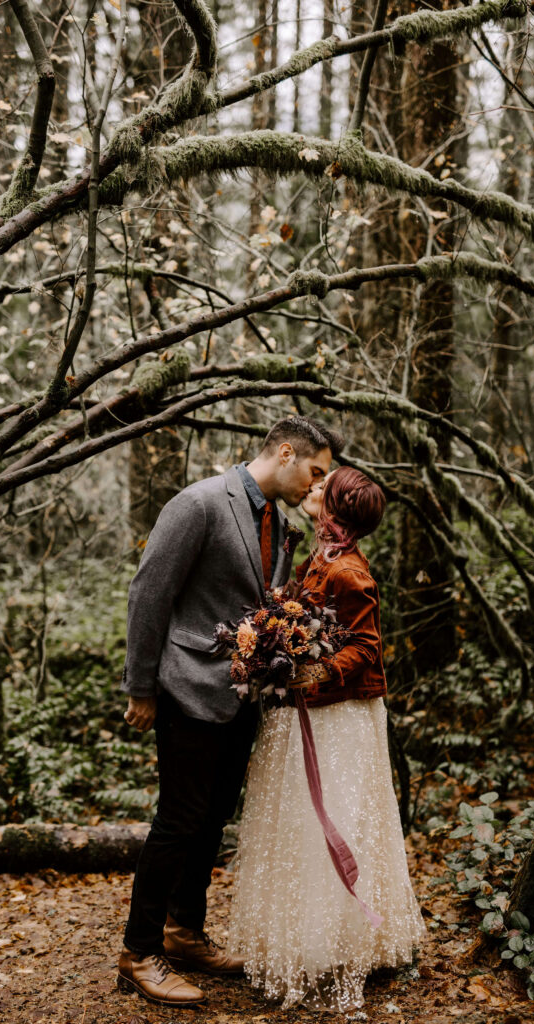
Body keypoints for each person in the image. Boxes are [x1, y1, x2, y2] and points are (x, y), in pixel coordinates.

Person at [117, 416, 343, 1007]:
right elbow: (149, 592)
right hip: (186, 688)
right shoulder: (198, 504)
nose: (315, 485)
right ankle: (139, 953)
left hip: (244, 698)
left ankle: (184, 931)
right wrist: (140, 686)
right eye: (315, 471)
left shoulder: (279, 521)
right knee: (179, 821)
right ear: (286, 452)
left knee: (213, 821)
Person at [227, 466, 426, 1013]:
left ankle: (338, 941)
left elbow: (365, 646)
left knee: (336, 816)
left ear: (336, 509)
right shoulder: (319, 559)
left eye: (322, 488)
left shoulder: (351, 573)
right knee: (294, 824)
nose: (311, 491)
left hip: (341, 715)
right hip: (303, 711)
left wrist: (313, 673)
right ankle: (300, 934)